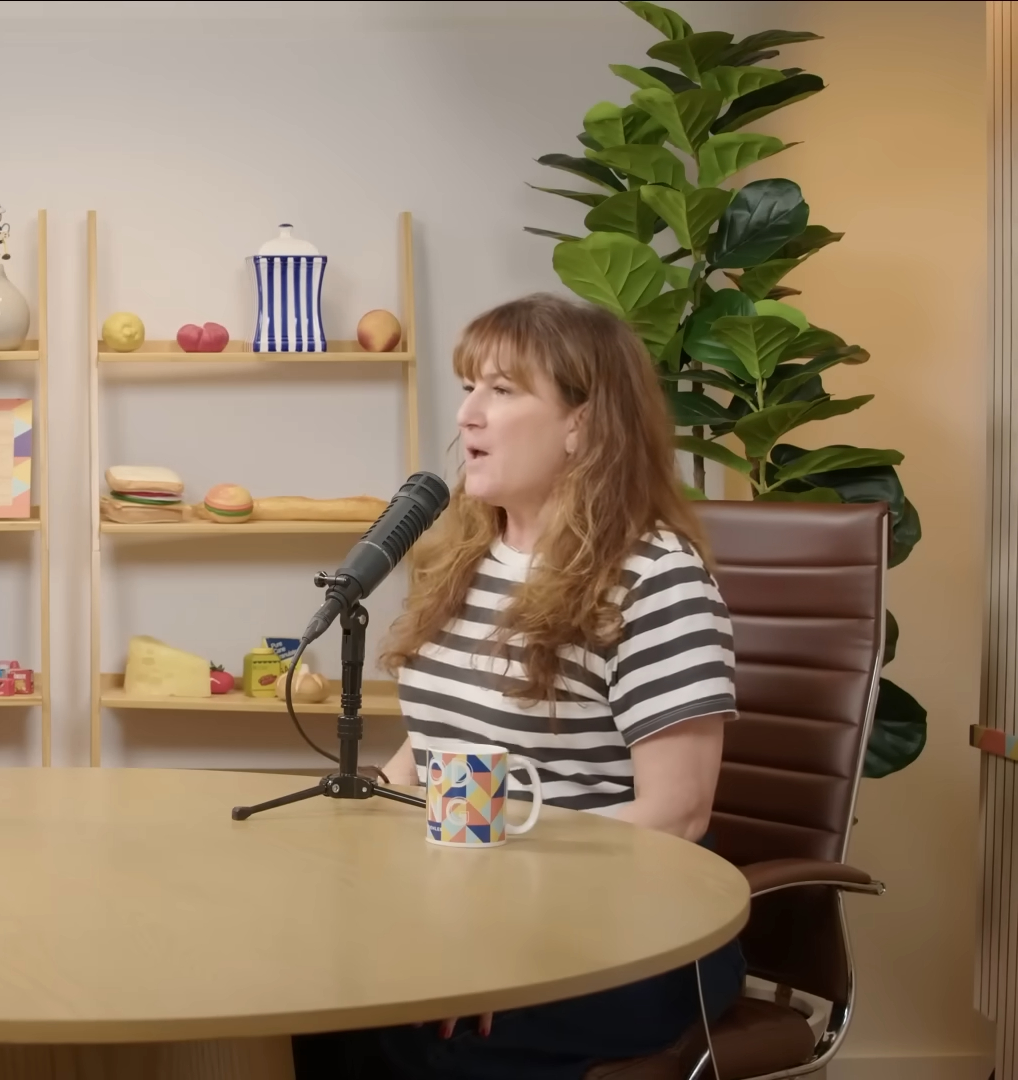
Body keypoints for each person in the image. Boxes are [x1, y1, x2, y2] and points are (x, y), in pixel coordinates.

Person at [292, 294, 745, 1079]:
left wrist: (506, 934)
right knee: (302, 989)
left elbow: (676, 814)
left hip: (615, 931)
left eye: (501, 390)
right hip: (464, 910)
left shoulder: (654, 579)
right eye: (469, 386)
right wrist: (363, 817)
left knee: (412, 1040)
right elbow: (436, 742)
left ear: (583, 424)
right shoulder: (463, 558)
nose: (467, 415)